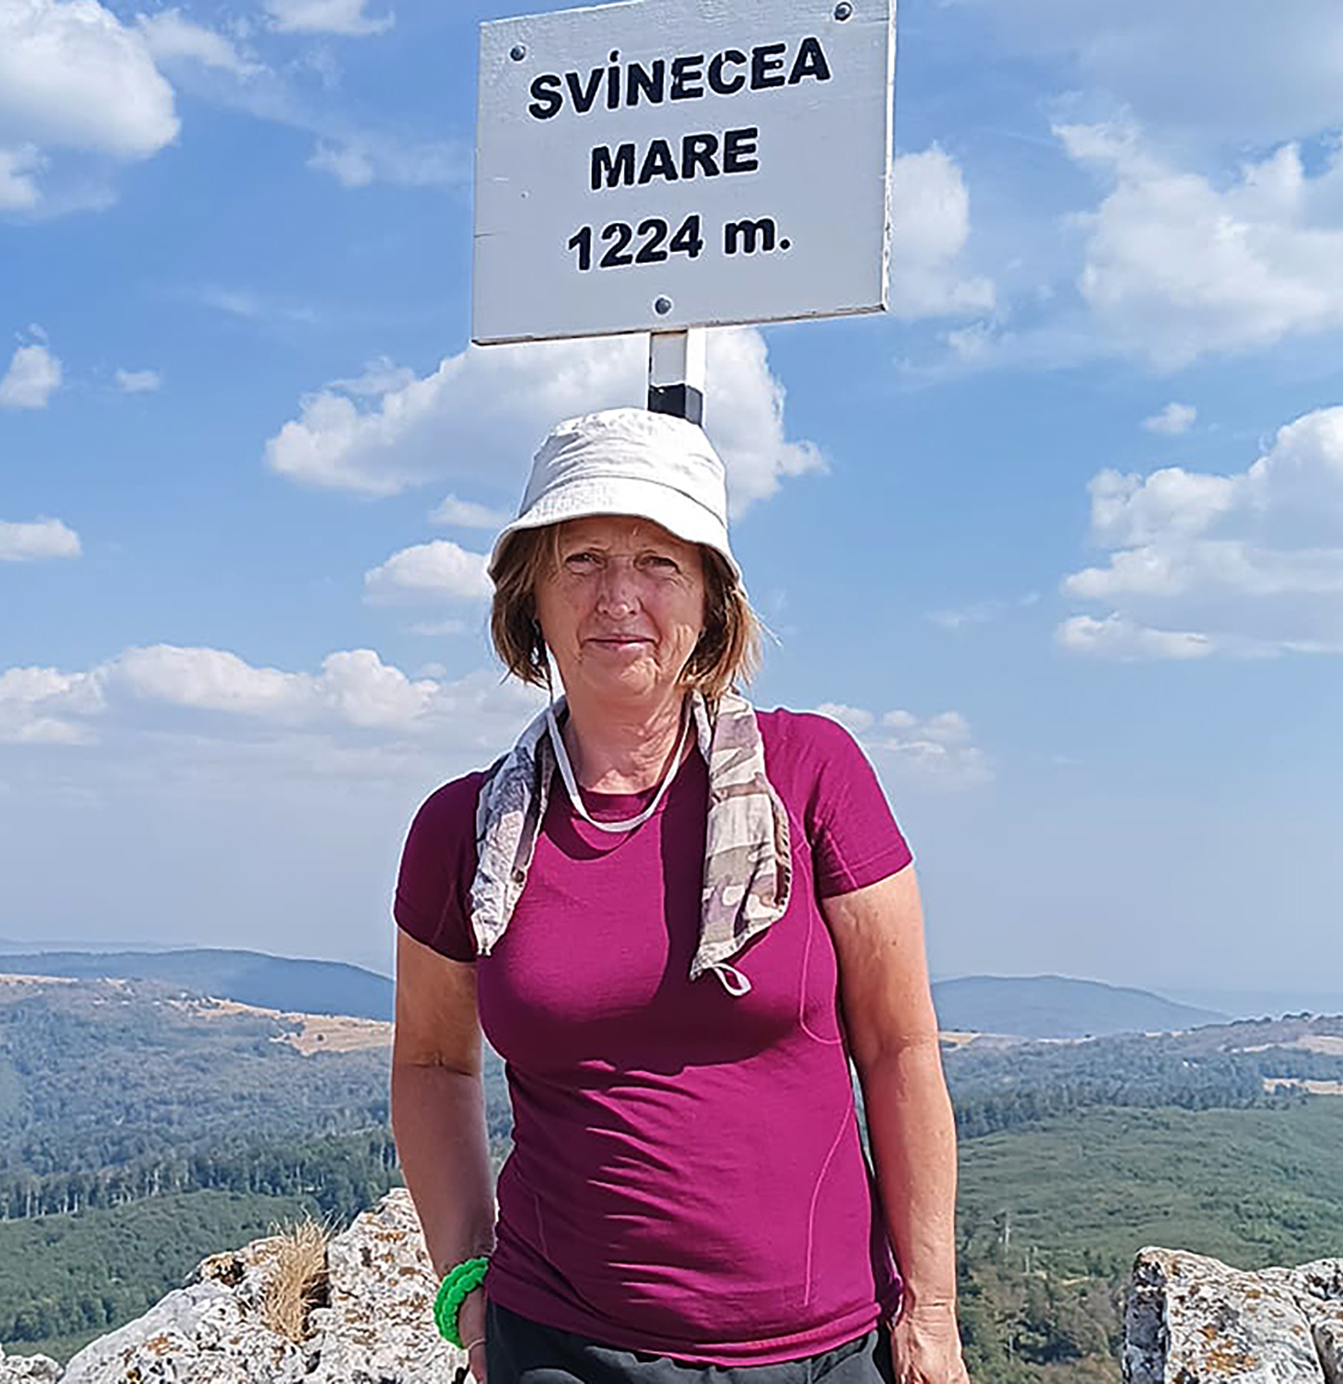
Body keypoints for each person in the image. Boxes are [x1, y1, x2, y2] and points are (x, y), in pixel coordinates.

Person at [390, 407, 967, 1384]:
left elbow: (898, 1046)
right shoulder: (463, 830)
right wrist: (467, 1281)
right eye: (580, 560)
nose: (618, 596)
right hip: (559, 1347)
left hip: (823, 1350)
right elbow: (432, 1062)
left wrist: (932, 1313)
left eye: (658, 562)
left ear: (710, 600)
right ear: (531, 599)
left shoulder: (811, 775)